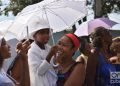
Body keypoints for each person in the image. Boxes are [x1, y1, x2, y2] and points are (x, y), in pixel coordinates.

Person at [28, 21, 58, 86]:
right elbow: (40, 71)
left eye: (47, 32)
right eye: (42, 33)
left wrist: (56, 58)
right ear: (34, 36)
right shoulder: (31, 51)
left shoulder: (48, 47)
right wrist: (50, 54)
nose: (46, 35)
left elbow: (53, 67)